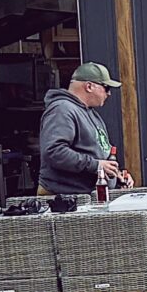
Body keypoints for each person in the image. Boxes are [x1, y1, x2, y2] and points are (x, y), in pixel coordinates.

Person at [38, 62, 131, 197]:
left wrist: (116, 176)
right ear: (89, 86)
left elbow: (101, 154)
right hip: (64, 200)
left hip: (85, 197)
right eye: (106, 87)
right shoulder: (62, 110)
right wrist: (96, 165)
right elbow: (54, 152)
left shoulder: (90, 113)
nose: (109, 93)